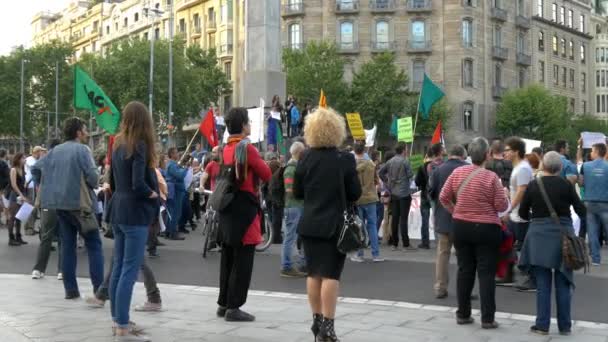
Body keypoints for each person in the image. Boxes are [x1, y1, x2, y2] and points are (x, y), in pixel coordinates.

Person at [294, 107, 361, 342]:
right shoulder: (345, 159)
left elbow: (297, 192)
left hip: (310, 223)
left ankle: (317, 321)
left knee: (313, 274)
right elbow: (355, 192)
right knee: (331, 275)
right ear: (337, 130)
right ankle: (328, 329)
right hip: (334, 225)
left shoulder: (305, 157)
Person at [439, 137, 509, 329]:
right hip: (486, 228)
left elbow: (443, 197)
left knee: (464, 269)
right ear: (487, 155)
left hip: (461, 226)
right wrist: (503, 194)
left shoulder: (457, 173)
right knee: (486, 273)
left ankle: (463, 313)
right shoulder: (491, 177)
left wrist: (456, 211)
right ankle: (487, 318)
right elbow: (501, 205)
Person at [107, 101, 160, 341]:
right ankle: (122, 327)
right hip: (134, 212)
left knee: (118, 267)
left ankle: (118, 320)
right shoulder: (139, 144)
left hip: (117, 209)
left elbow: (115, 180)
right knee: (129, 268)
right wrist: (154, 193)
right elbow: (139, 183)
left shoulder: (117, 143)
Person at [34, 117, 103, 300]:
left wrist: (50, 186)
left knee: (68, 245)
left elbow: (36, 169)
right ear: (79, 132)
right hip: (80, 204)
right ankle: (99, 289)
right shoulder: (83, 150)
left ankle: (71, 290)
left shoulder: (54, 151)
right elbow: (93, 178)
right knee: (94, 243)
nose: (87, 133)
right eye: (85, 130)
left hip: (58, 204)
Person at [518, 151, 585, 336]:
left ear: (542, 166)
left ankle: (542, 325)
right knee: (564, 282)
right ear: (560, 167)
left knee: (543, 283)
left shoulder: (533, 185)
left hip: (539, 237)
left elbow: (523, 214)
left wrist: (536, 217)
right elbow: (581, 210)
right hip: (564, 238)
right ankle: (565, 326)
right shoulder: (566, 185)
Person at [216, 107, 272, 322]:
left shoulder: (225, 148)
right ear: (243, 125)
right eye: (248, 121)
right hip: (244, 206)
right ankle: (234, 306)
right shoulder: (247, 148)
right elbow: (266, 174)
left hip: (228, 205)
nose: (250, 125)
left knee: (228, 255)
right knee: (243, 258)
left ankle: (223, 303)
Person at [428, 145, 468, 299]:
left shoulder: (438, 170)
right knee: (464, 256)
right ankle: (465, 288)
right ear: (463, 155)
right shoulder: (469, 169)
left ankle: (440, 287)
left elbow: (431, 193)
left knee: (442, 254)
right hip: (465, 219)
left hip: (444, 217)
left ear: (449, 154)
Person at [503, 137, 536, 291]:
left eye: (508, 150)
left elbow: (522, 191)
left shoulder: (522, 168)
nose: (505, 153)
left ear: (516, 151)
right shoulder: (518, 167)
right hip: (516, 214)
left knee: (523, 247)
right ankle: (509, 274)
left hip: (521, 215)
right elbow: (517, 190)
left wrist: (509, 208)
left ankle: (531, 278)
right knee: (508, 243)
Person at [31, 139, 63, 279]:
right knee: (64, 237)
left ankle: (38, 269)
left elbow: (35, 168)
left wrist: (39, 182)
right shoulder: (64, 158)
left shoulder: (46, 159)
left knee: (46, 236)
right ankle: (62, 270)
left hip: (48, 201)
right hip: (64, 201)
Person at [351, 142, 384, 263]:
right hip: (371, 197)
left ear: (355, 151)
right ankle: (376, 255)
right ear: (364, 150)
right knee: (372, 226)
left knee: (360, 227)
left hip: (358, 198)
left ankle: (360, 254)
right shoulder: (371, 164)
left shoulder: (352, 165)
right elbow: (377, 181)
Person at [379, 142, 415, 251]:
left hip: (393, 192)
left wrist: (387, 181)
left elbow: (381, 172)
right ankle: (406, 244)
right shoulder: (405, 161)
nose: (407, 150)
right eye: (406, 149)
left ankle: (394, 244)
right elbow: (410, 175)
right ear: (404, 150)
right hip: (404, 193)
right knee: (403, 219)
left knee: (395, 218)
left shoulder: (390, 161)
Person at [578, 142, 608, 266]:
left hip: (589, 202)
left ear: (596, 152)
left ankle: (596, 259)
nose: (590, 153)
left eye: (591, 151)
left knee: (592, 231)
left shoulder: (585, 166)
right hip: (605, 202)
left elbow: (580, 183)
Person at [280, 141, 307, 277]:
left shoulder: (294, 167)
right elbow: (290, 190)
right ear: (299, 152)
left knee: (295, 236)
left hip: (295, 206)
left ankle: (301, 263)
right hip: (294, 206)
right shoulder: (291, 169)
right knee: (290, 237)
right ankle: (286, 266)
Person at [415, 143, 444, 249]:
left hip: (424, 195)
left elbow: (417, 182)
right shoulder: (441, 165)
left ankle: (425, 242)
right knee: (437, 218)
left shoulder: (422, 167)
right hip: (436, 195)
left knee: (425, 219)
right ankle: (439, 242)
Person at [6, 153, 29, 246]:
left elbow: (22, 183)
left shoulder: (22, 169)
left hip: (21, 195)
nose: (25, 160)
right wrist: (21, 195)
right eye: (23, 158)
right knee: (13, 217)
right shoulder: (13, 169)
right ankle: (11, 238)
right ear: (18, 159)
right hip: (14, 195)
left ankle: (18, 236)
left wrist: (24, 193)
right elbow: (13, 185)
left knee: (19, 216)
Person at [164, 147, 187, 240]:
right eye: (176, 153)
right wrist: (185, 168)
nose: (178, 154)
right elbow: (180, 175)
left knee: (172, 211)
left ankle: (169, 231)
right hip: (176, 190)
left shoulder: (172, 164)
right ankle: (172, 232)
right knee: (175, 212)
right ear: (172, 154)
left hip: (176, 189)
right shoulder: (171, 165)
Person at [24, 146, 45, 235]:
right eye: (41, 152)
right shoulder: (30, 160)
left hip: (34, 186)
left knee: (34, 207)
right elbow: (35, 168)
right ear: (37, 152)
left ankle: (30, 227)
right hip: (31, 187)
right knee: (31, 206)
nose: (42, 154)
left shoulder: (35, 160)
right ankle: (28, 227)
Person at [0, 149, 10, 227]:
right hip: (3, 187)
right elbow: (7, 175)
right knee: (6, 204)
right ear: (5, 154)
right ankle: (8, 221)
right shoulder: (3, 164)